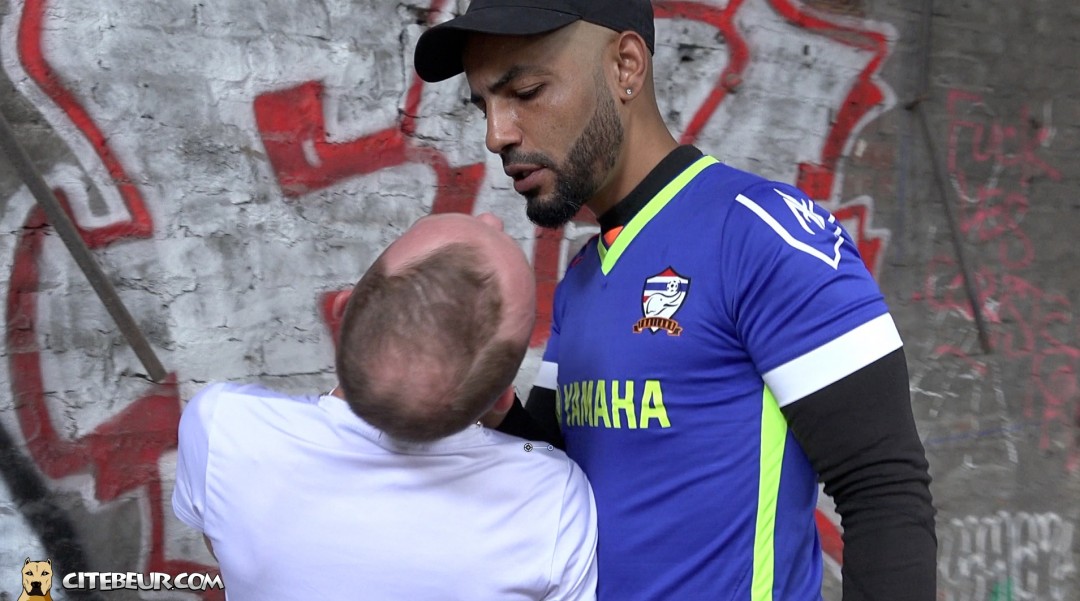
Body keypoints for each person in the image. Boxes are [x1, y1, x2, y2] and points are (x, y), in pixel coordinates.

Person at [413, 1, 937, 600]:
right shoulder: (583, 275)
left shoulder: (759, 233)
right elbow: (562, 471)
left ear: (626, 66)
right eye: (484, 105)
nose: (496, 134)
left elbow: (883, 487)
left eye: (525, 92)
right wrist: (495, 404)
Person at [171, 213, 598, 601]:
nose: (492, 219)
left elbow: (223, 543)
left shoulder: (224, 428)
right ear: (502, 399)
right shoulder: (553, 501)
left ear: (341, 317)